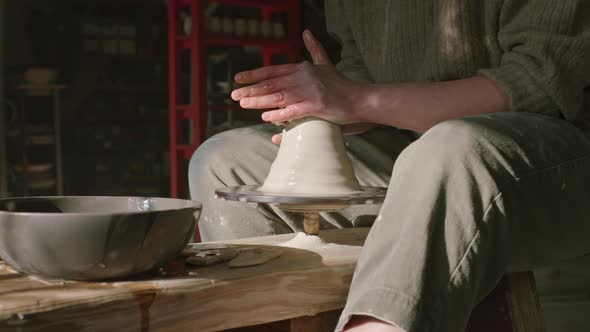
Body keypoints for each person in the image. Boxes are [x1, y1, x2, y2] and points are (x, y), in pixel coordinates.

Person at [189, 1, 590, 331]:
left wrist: (359, 99)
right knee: (226, 161)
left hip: (554, 160)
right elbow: (367, 72)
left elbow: (539, 84)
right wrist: (326, 103)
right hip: (413, 148)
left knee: (449, 149)